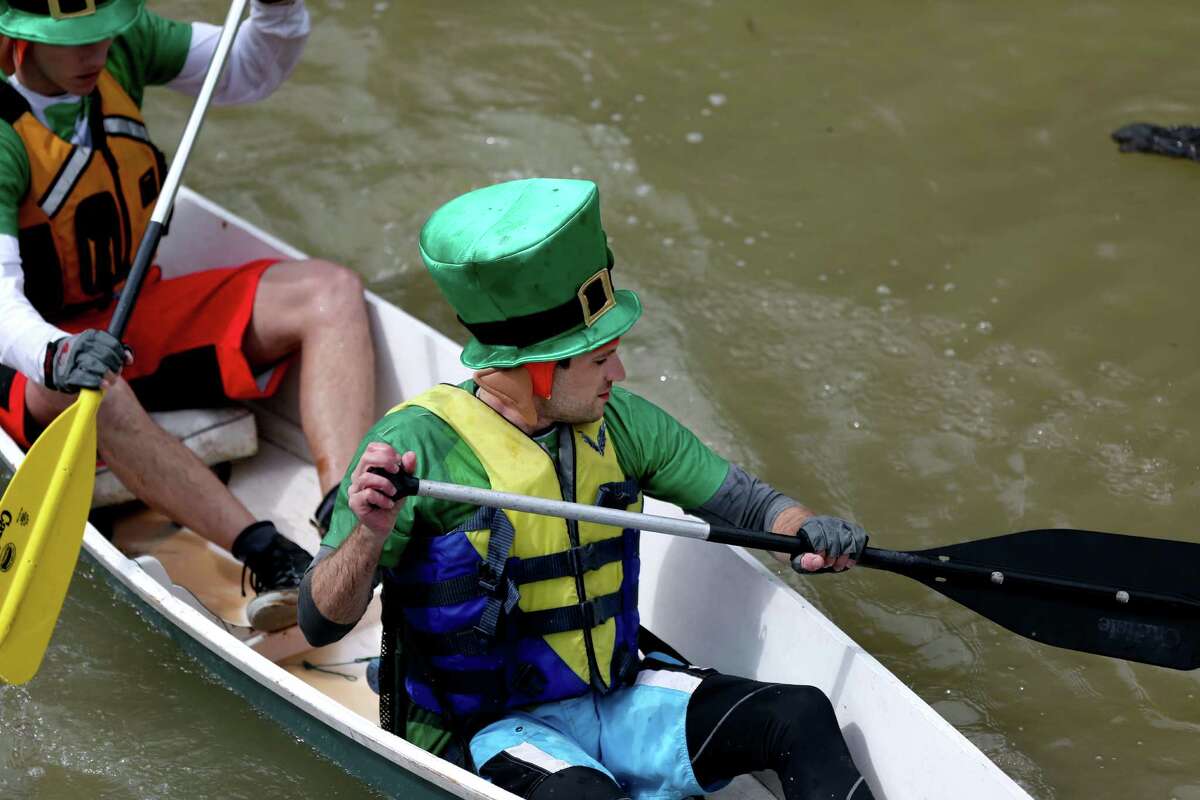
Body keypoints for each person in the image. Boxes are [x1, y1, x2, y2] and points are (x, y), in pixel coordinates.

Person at [301, 178, 876, 800]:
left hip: (616, 695)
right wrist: (369, 533)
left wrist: (808, 532)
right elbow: (319, 622)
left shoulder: (622, 423)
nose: (619, 374)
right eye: (600, 359)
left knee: (799, 716)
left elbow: (752, 507)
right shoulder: (419, 446)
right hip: (485, 728)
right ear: (539, 368)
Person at [0, 0, 376, 631]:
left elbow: (251, 70)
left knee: (329, 291)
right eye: (74, 42)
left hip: (127, 310)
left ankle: (348, 520)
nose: (96, 54)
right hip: (32, 354)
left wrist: (277, 11)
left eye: (103, 35)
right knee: (97, 387)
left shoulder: (125, 43)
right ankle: (269, 554)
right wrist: (56, 354)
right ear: (20, 37)